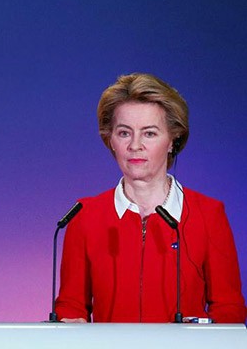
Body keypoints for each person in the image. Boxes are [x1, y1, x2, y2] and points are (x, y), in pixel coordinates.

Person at [55, 73, 246, 323]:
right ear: (110, 139)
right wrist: (69, 325)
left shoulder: (208, 214)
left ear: (172, 140)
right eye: (124, 133)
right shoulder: (84, 216)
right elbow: (70, 307)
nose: (135, 145)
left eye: (149, 133)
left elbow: (229, 309)